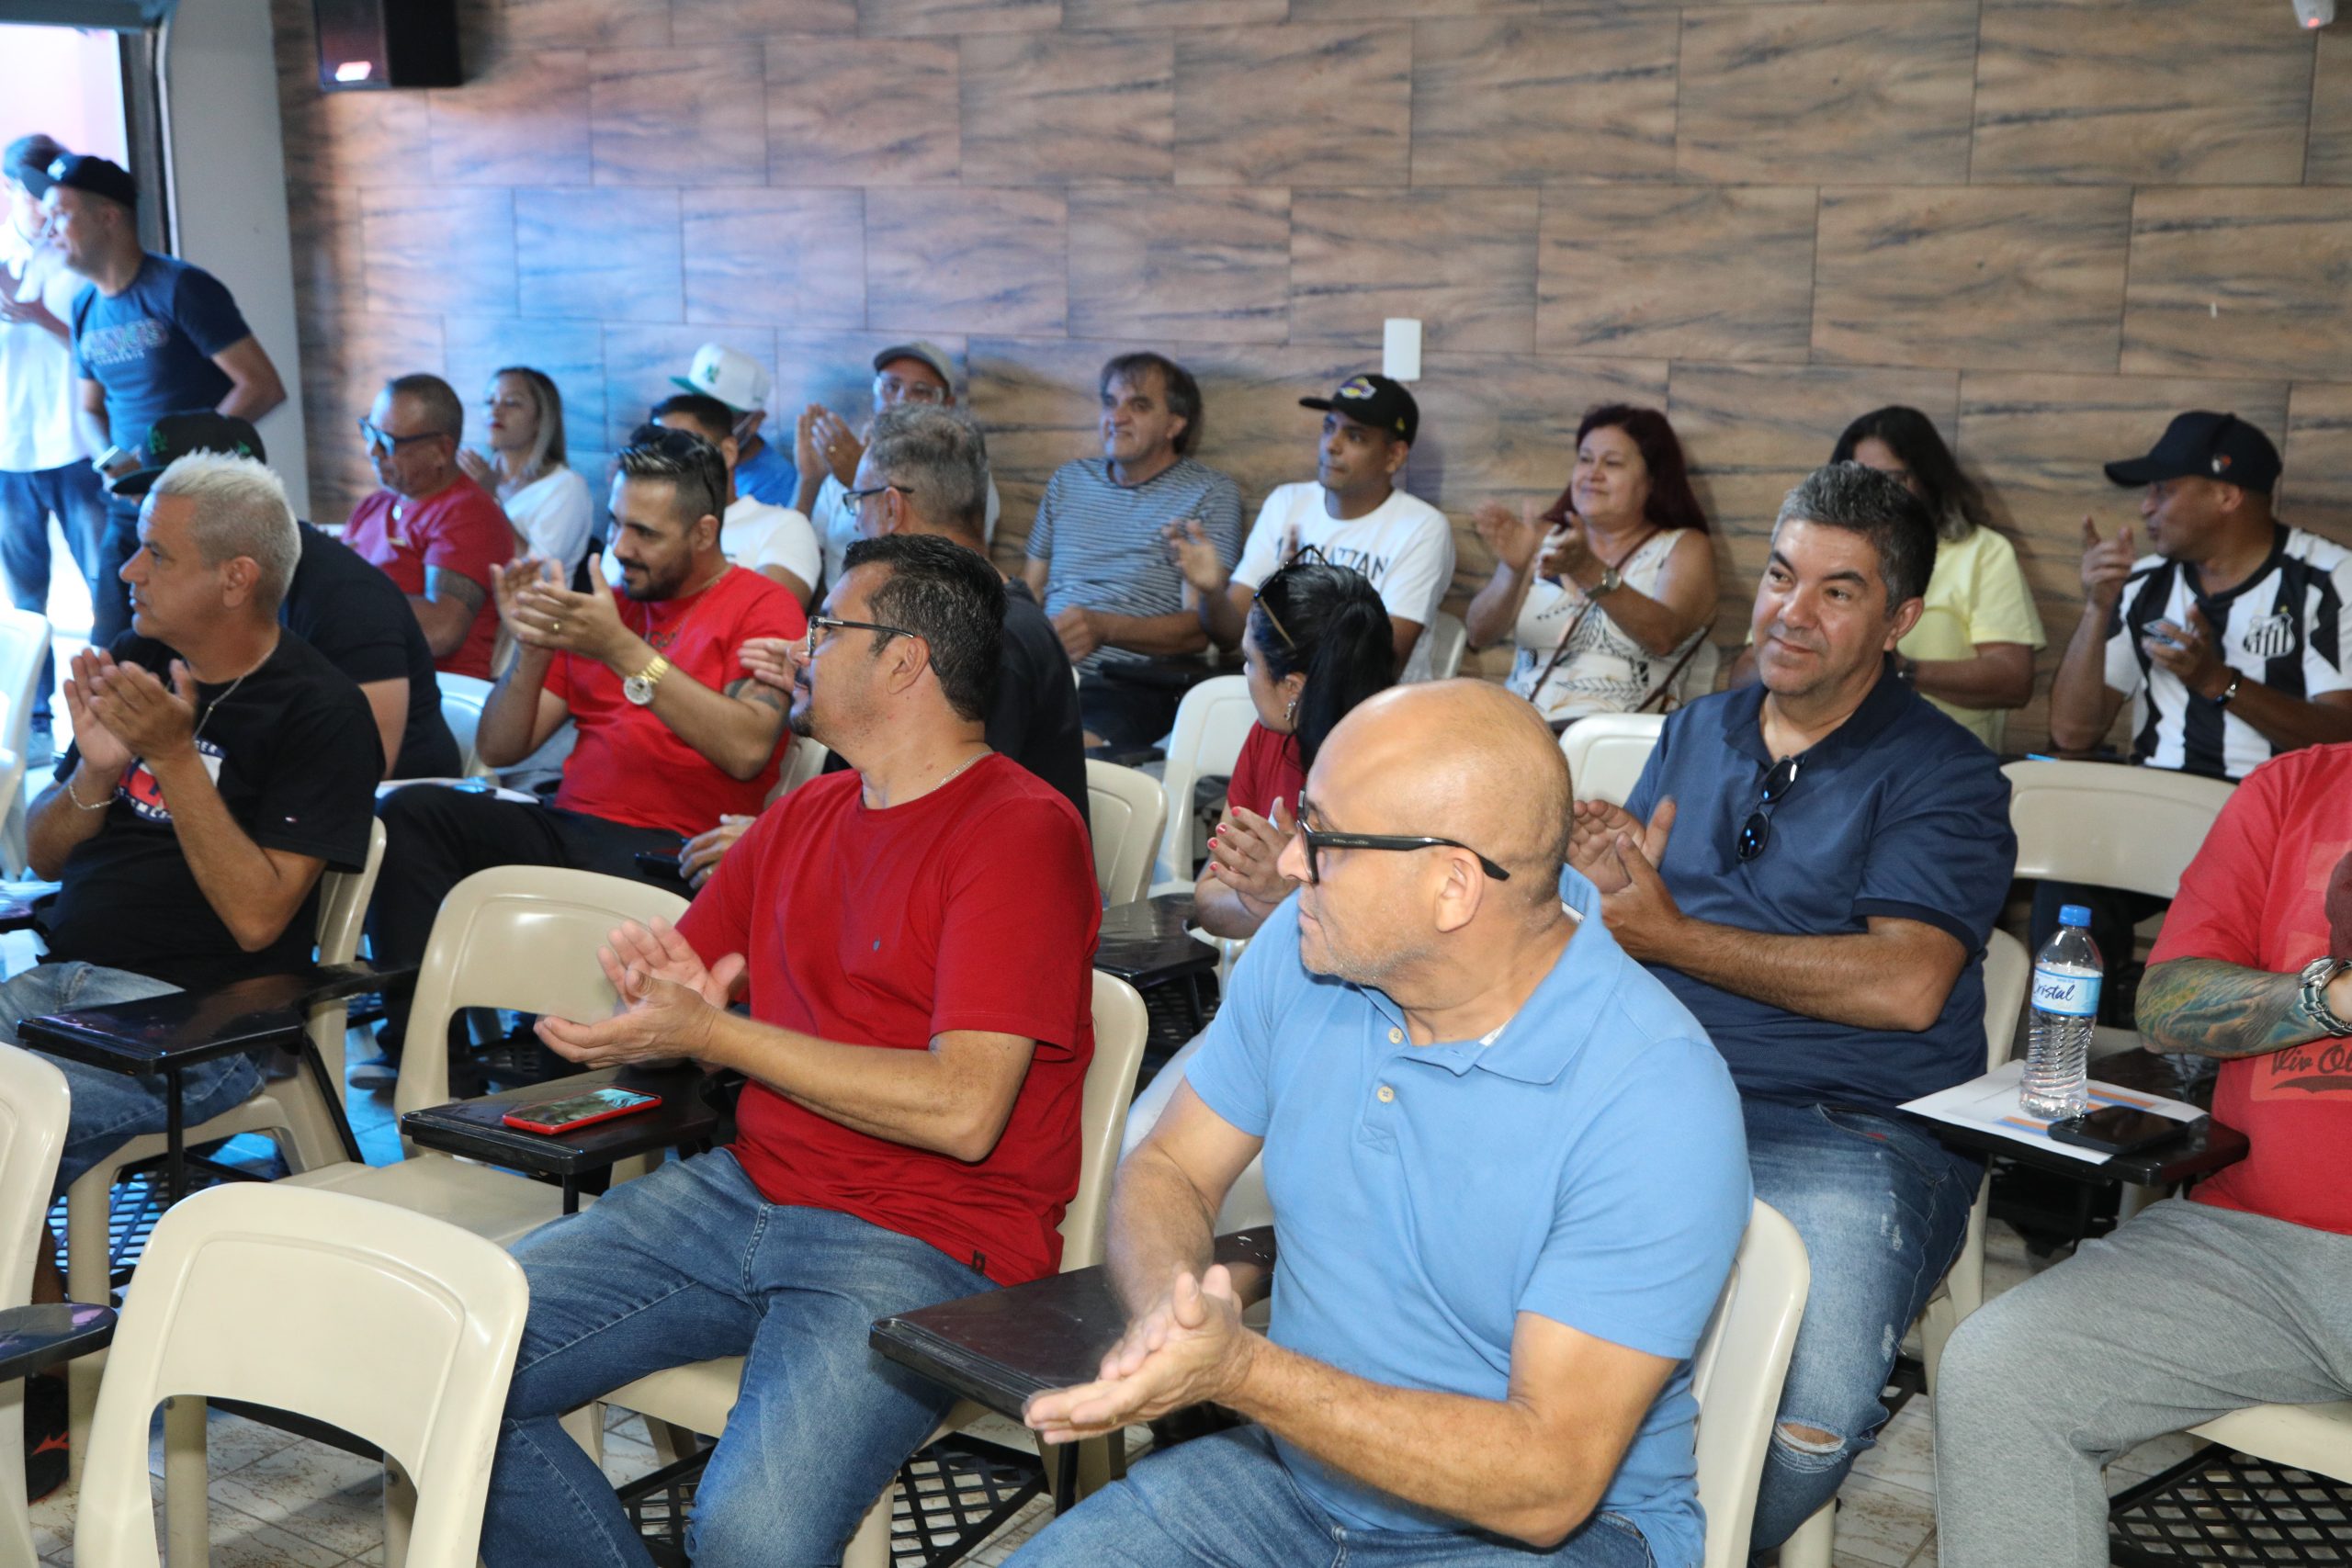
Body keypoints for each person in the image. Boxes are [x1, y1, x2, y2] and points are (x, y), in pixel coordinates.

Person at [1010, 680, 1750, 1568]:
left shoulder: (1654, 1095)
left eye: (1322, 839)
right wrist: (1177, 1313)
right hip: (1290, 1480)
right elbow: (1170, 1161)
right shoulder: (1308, 951)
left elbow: (1549, 1480)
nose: (1289, 865)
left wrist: (1241, 1370)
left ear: (1452, 887)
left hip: (1541, 1539)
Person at [477, 533, 1099, 1568]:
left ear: (903, 660)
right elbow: (698, 985)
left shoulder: (1017, 831)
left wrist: (712, 1031)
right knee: (449, 1358)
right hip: (747, 1188)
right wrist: (651, 1002)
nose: (800, 649)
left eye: (826, 628)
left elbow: (963, 1108)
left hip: (922, 1235)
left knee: (748, 1533)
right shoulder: (807, 809)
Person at [1568, 461, 2015, 1551]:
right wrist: (1593, 881)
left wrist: (1669, 934)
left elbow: (1907, 987)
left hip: (1849, 1128)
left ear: (1900, 618)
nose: (1790, 612)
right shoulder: (1697, 732)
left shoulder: (1944, 774)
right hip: (1655, 1088)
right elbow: (1623, 917)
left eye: (1837, 591)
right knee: (1474, 1291)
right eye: (1779, 576)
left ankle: (1642, 1545)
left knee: (1809, 1413)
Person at [1933, 745, 2352, 1568]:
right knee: (1999, 1371)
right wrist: (2327, 997)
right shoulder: (2298, 785)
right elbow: (2165, 1001)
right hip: (2248, 1245)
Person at [366, 428, 804, 1067]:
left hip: (671, 854)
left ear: (705, 533)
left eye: (645, 533)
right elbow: (500, 744)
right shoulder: (610, 607)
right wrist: (535, 650)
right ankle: (427, 1058)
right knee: (413, 815)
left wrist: (624, 649)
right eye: (617, 523)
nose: (620, 547)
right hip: (568, 826)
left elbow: (746, 750)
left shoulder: (762, 608)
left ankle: (549, 1055)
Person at [13, 450, 377, 1202]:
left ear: (235, 578)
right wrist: (98, 772)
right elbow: (42, 859)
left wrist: (175, 756)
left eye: (158, 554)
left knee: (10, 1137)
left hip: (195, 1028)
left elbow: (256, 919)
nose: (128, 571)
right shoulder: (143, 659)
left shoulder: (320, 711)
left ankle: (49, 1322)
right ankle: (42, 1317)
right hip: (57, 987)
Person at [2041, 411, 2352, 990]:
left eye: (2163, 489)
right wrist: (2098, 608)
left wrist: (2216, 681)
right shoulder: (2146, 582)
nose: (2145, 508)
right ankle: (2074, 1039)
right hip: (2153, 801)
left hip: (2271, 819)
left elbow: (2342, 739)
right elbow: (2073, 733)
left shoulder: (2327, 580)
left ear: (2226, 494)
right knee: (2065, 867)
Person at [108, 412, 459, 782]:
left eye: (180, 490)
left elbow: (363, 778)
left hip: (395, 816)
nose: (145, 505)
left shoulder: (348, 600)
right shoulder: (157, 628)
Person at [42, 153, 285, 649]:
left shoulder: (179, 287)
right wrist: (114, 462)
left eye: (60, 215)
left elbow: (261, 385)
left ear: (107, 215)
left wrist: (177, 463)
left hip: (203, 513)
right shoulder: (84, 304)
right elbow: (90, 408)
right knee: (112, 650)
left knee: (197, 651)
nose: (48, 230)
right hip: (130, 512)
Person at [1021, 352, 1244, 748]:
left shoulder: (1208, 493)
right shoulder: (1069, 480)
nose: (1116, 417)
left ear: (1176, 423)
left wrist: (1103, 627)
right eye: (1110, 402)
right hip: (1045, 670)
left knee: (1055, 753)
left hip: (1133, 683)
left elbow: (1199, 632)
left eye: (1138, 405)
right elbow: (1030, 591)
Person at [1170, 374, 1454, 682]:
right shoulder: (1287, 502)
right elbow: (1230, 635)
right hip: (1279, 702)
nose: (1332, 445)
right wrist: (1212, 593)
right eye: (1329, 428)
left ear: (1394, 455)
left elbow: (1383, 665)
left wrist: (1290, 605)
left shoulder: (1421, 528)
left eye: (1355, 436)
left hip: (1374, 714)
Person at [1464, 405, 1718, 729]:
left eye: (1611, 463)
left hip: (1619, 744)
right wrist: (1511, 572)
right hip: (1523, 733)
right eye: (1585, 459)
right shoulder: (1542, 537)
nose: (1592, 473)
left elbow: (1663, 636)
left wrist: (1587, 570)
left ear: (1653, 479)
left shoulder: (1684, 546)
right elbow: (1478, 634)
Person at [1192, 557, 1394, 940]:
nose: (1244, 672)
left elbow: (1385, 934)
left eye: (1250, 660)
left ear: (1293, 688)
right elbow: (1207, 898)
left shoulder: (1392, 775)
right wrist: (1274, 899)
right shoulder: (1269, 735)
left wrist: (1290, 891)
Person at [1830, 407, 2042, 750]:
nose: (1872, 495)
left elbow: (2013, 680)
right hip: (1835, 759)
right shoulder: (1818, 552)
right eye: (1858, 479)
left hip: (1942, 762)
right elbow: (1746, 672)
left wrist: (1901, 670)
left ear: (1926, 478)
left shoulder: (1981, 551)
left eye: (1890, 480)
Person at [1, 134, 101, 760]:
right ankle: (33, 723)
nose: (39, 204)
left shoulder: (80, 256)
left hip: (77, 445)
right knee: (24, 597)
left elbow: (100, 347)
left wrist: (35, 314)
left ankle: (104, 718)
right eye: (27, 190)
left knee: (107, 583)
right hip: (8, 449)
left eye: (48, 193)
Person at [341, 373, 520, 681]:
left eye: (387, 442)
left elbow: (442, 630)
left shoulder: (468, 513)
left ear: (441, 450)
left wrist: (343, 597)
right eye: (370, 432)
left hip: (435, 693)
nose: (373, 452)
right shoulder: (373, 506)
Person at [795, 340, 1001, 587]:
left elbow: (955, 562)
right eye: (891, 387)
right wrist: (810, 480)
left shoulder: (963, 470)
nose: (902, 399)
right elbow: (799, 556)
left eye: (922, 391)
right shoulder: (840, 457)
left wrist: (862, 485)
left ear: (948, 405)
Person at [601, 392, 820, 607]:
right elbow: (614, 613)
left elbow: (769, 619)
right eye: (654, 448)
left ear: (727, 452)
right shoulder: (626, 533)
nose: (662, 459)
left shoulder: (782, 526)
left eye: (680, 447)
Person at [458, 367, 593, 578]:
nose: (495, 411)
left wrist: (490, 499)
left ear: (541, 420)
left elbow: (539, 572)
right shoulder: (474, 476)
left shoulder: (566, 487)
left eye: (511, 403)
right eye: (489, 401)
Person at [671, 340, 797, 510]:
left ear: (754, 422)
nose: (700, 424)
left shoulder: (777, 483)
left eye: (719, 415)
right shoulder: (684, 456)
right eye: (695, 406)